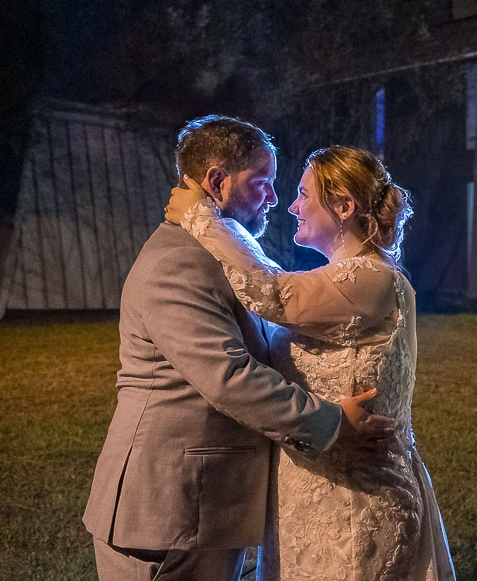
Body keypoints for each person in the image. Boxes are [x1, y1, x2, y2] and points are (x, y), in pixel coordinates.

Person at [84, 116, 393, 581]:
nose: (274, 198)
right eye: (262, 183)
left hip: (206, 506)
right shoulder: (179, 262)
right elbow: (229, 378)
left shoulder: (225, 253)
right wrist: (331, 422)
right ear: (216, 181)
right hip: (169, 507)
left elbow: (271, 294)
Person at [165, 145, 456, 581]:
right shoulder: (347, 279)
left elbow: (271, 292)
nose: (292, 205)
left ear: (344, 205)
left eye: (304, 194)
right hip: (311, 498)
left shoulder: (372, 278)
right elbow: (272, 280)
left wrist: (202, 218)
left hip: (357, 507)